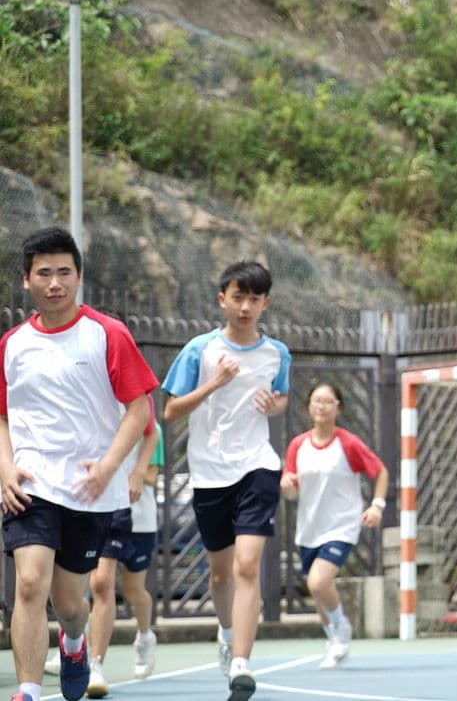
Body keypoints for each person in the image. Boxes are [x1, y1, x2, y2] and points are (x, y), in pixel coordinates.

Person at [1, 227, 158, 701]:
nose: (55, 283)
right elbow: (2, 416)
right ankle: (29, 690)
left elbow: (139, 410)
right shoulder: (11, 344)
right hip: (31, 482)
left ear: (79, 277)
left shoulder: (107, 334)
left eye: (64, 272)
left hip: (90, 489)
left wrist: (110, 466)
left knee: (70, 604)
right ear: (26, 279)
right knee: (30, 583)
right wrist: (5, 466)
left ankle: (74, 642)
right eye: (43, 273)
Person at [161, 260, 291, 701]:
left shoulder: (277, 353)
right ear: (222, 299)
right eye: (238, 297)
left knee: (247, 565)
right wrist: (214, 383)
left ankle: (241, 664)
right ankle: (227, 630)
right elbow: (170, 411)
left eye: (254, 299)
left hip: (258, 466)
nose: (245, 307)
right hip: (210, 473)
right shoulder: (200, 350)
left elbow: (282, 396)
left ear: (266, 303)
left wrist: (274, 406)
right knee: (220, 576)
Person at [281, 382, 388, 669]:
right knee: (317, 590)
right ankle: (334, 640)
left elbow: (380, 472)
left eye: (328, 401)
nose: (321, 406)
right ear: (308, 406)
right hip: (309, 529)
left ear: (338, 408)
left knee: (318, 582)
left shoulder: (348, 443)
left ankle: (341, 629)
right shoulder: (298, 446)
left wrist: (377, 506)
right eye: (316, 401)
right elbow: (291, 493)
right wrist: (287, 486)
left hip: (342, 526)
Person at [85, 392, 165, 698]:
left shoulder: (145, 416)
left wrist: (137, 474)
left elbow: (152, 473)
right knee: (100, 582)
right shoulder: (91, 402)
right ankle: (94, 663)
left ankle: (145, 635)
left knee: (133, 590)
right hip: (103, 509)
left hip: (139, 517)